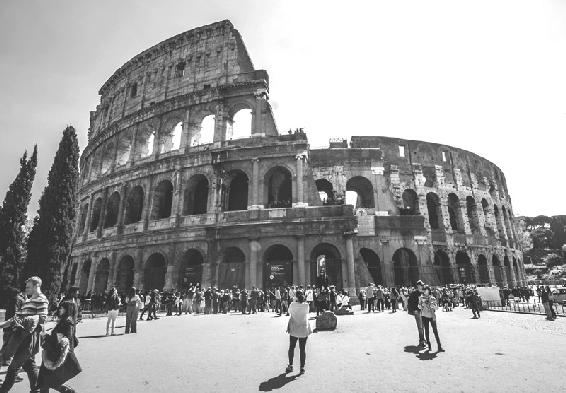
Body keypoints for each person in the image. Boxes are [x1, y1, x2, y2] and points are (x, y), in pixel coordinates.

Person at [0, 276, 49, 393]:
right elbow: (15, 318)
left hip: (29, 339)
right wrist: (2, 324)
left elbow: (42, 319)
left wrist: (29, 320)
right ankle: (39, 390)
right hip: (20, 338)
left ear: (36, 286)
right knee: (30, 366)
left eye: (28, 287)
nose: (26, 289)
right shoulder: (28, 300)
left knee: (14, 367)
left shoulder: (42, 299)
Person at [38, 300, 81, 393]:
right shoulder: (65, 322)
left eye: (62, 308)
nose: (60, 309)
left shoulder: (66, 324)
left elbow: (61, 343)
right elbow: (74, 341)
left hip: (56, 357)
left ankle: (68, 391)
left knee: (48, 381)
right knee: (45, 381)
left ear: (67, 310)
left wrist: (46, 338)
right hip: (54, 354)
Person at [285, 291, 312, 374]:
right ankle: (302, 368)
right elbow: (307, 312)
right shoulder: (306, 305)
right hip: (303, 328)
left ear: (296, 297)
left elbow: (289, 312)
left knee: (291, 347)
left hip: (294, 328)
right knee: (302, 349)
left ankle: (290, 365)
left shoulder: (292, 304)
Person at [418, 286, 444, 352]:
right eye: (424, 290)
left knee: (435, 331)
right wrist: (422, 305)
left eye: (426, 290)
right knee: (426, 331)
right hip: (424, 316)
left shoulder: (433, 298)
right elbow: (419, 307)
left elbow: (436, 308)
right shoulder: (421, 298)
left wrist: (433, 305)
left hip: (432, 316)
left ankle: (439, 346)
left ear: (429, 290)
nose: (424, 291)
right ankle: (429, 346)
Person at [407, 281, 426, 348]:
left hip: (424, 311)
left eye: (422, 285)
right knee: (420, 326)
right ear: (418, 286)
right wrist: (414, 310)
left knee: (423, 326)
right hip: (417, 311)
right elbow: (410, 302)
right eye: (421, 285)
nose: (422, 286)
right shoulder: (414, 293)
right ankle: (421, 341)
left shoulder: (423, 293)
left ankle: (423, 339)